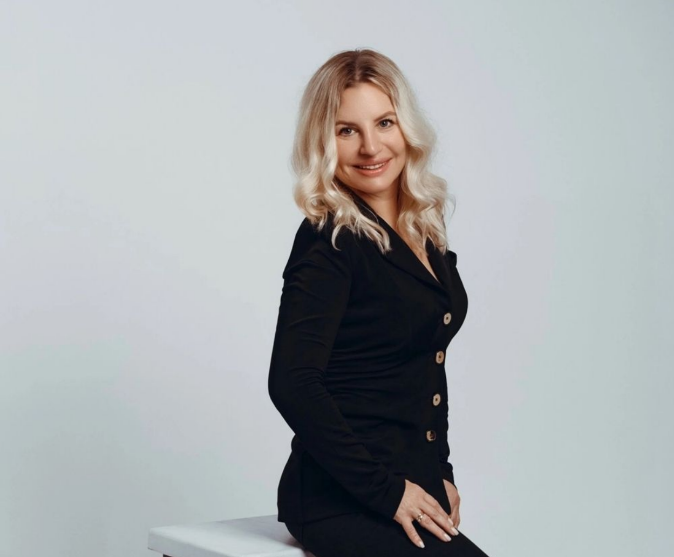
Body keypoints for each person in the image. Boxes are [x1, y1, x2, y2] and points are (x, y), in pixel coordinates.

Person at [267, 48, 489, 556]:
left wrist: (440, 470)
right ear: (323, 142)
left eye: (384, 123)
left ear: (406, 127)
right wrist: (387, 492)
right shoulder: (329, 240)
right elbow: (293, 382)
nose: (370, 147)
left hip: (409, 484)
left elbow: (424, 364)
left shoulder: (422, 229)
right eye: (347, 130)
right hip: (339, 495)